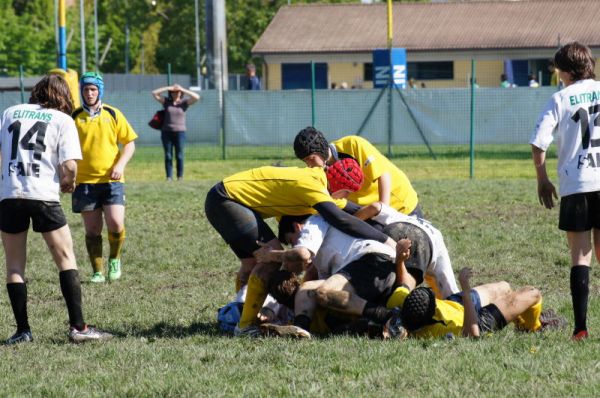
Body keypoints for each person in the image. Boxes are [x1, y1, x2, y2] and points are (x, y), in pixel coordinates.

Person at [204, 164, 395, 336]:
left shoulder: (320, 182)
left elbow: (351, 210)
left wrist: (391, 220)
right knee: (271, 260)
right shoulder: (315, 189)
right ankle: (245, 326)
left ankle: (242, 312)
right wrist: (387, 240)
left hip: (222, 196)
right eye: (346, 193)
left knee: (251, 263)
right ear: (341, 188)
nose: (345, 198)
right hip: (227, 200)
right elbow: (343, 220)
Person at [0, 74, 113, 344]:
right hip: (43, 195)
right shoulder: (63, 120)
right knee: (65, 259)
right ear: (64, 95)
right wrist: (68, 182)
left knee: (14, 265)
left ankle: (22, 331)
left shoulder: (10, 111)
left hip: (9, 194)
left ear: (36, 92)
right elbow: (71, 165)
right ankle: (78, 328)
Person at [530, 42, 600, 341]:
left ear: (566, 71)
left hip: (577, 185)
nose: (556, 74)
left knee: (580, 257)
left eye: (557, 69)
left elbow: (538, 143)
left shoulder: (560, 98)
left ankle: (581, 327)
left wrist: (543, 179)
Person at [72, 72, 138, 283]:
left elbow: (129, 143)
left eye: (93, 89)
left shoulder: (113, 113)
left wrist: (120, 165)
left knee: (116, 223)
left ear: (100, 91)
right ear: (81, 91)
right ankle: (97, 271)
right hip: (84, 182)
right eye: (86, 89)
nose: (90, 93)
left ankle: (114, 260)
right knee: (92, 230)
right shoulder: (74, 117)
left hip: (112, 181)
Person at [293, 127, 422, 217]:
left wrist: (385, 211)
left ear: (320, 149)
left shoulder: (353, 144)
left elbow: (383, 175)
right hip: (372, 213)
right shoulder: (320, 172)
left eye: (311, 159)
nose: (309, 165)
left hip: (401, 204)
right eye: (306, 162)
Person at [151, 84, 200, 181]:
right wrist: (168, 88)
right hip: (166, 133)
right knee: (168, 155)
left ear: (180, 93)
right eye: (173, 92)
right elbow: (154, 93)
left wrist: (182, 89)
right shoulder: (166, 102)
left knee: (179, 155)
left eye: (177, 92)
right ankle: (169, 177)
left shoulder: (184, 103)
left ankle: (180, 177)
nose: (175, 93)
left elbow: (196, 97)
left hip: (180, 133)